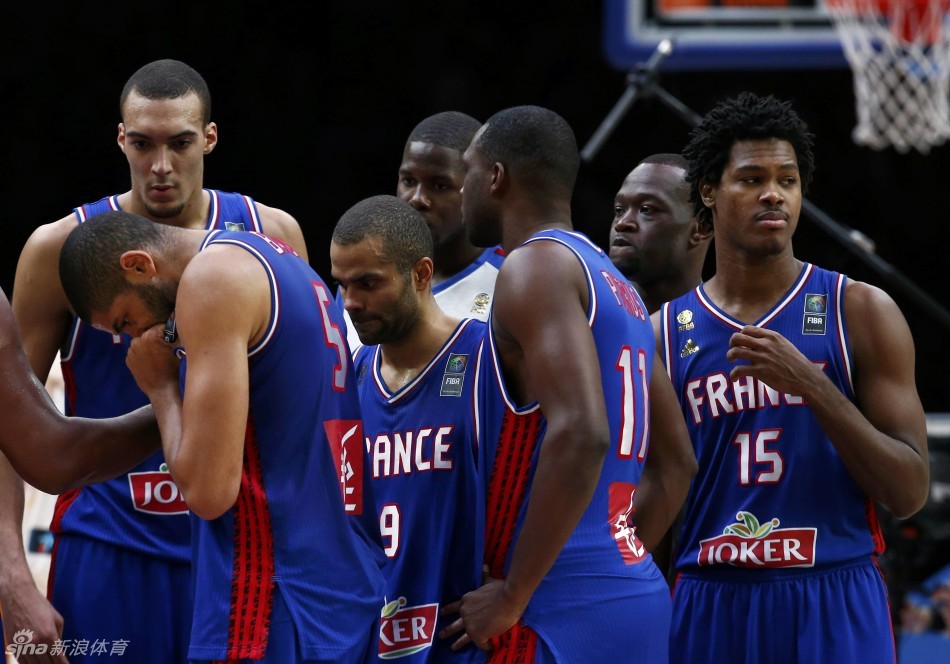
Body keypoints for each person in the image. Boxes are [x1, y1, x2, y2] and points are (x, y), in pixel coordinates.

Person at [2, 59, 308, 663]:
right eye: (142, 144)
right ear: (121, 139)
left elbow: (307, 414)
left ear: (211, 139)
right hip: (109, 549)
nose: (161, 166)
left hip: (240, 553)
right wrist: (11, 578)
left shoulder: (271, 234)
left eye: (181, 143)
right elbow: (6, 426)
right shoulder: (59, 247)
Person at [657, 92, 929, 663]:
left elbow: (908, 491)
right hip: (710, 594)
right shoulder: (663, 332)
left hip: (833, 587)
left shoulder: (858, 309)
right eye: (751, 178)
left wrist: (814, 387)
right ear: (709, 191)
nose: (773, 193)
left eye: (787, 179)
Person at [57, 210, 385, 662]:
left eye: (123, 322)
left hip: (271, 596)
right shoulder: (276, 255)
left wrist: (161, 387)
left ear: (138, 265)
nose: (133, 338)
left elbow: (209, 494)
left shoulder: (211, 280)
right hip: (338, 588)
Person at [441, 105, 696, 661]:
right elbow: (677, 463)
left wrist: (514, 594)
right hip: (632, 593)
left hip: (554, 609)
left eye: (468, 172)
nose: (462, 192)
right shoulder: (615, 283)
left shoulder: (533, 269)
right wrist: (612, 565)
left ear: (497, 177)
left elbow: (583, 434)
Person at [330, 195, 484, 662]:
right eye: (342, 285)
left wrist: (520, 588)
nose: (351, 302)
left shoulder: (486, 358)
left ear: (420, 274)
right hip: (371, 638)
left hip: (465, 635)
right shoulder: (349, 378)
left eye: (369, 283)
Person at [340, 111, 504, 353]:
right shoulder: (360, 277)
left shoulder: (510, 280)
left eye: (439, 185)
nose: (417, 199)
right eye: (408, 181)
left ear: (476, 187)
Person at [609, 153, 713, 315]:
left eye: (646, 210)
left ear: (702, 228)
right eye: (619, 211)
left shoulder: (728, 335)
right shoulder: (583, 310)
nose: (622, 223)